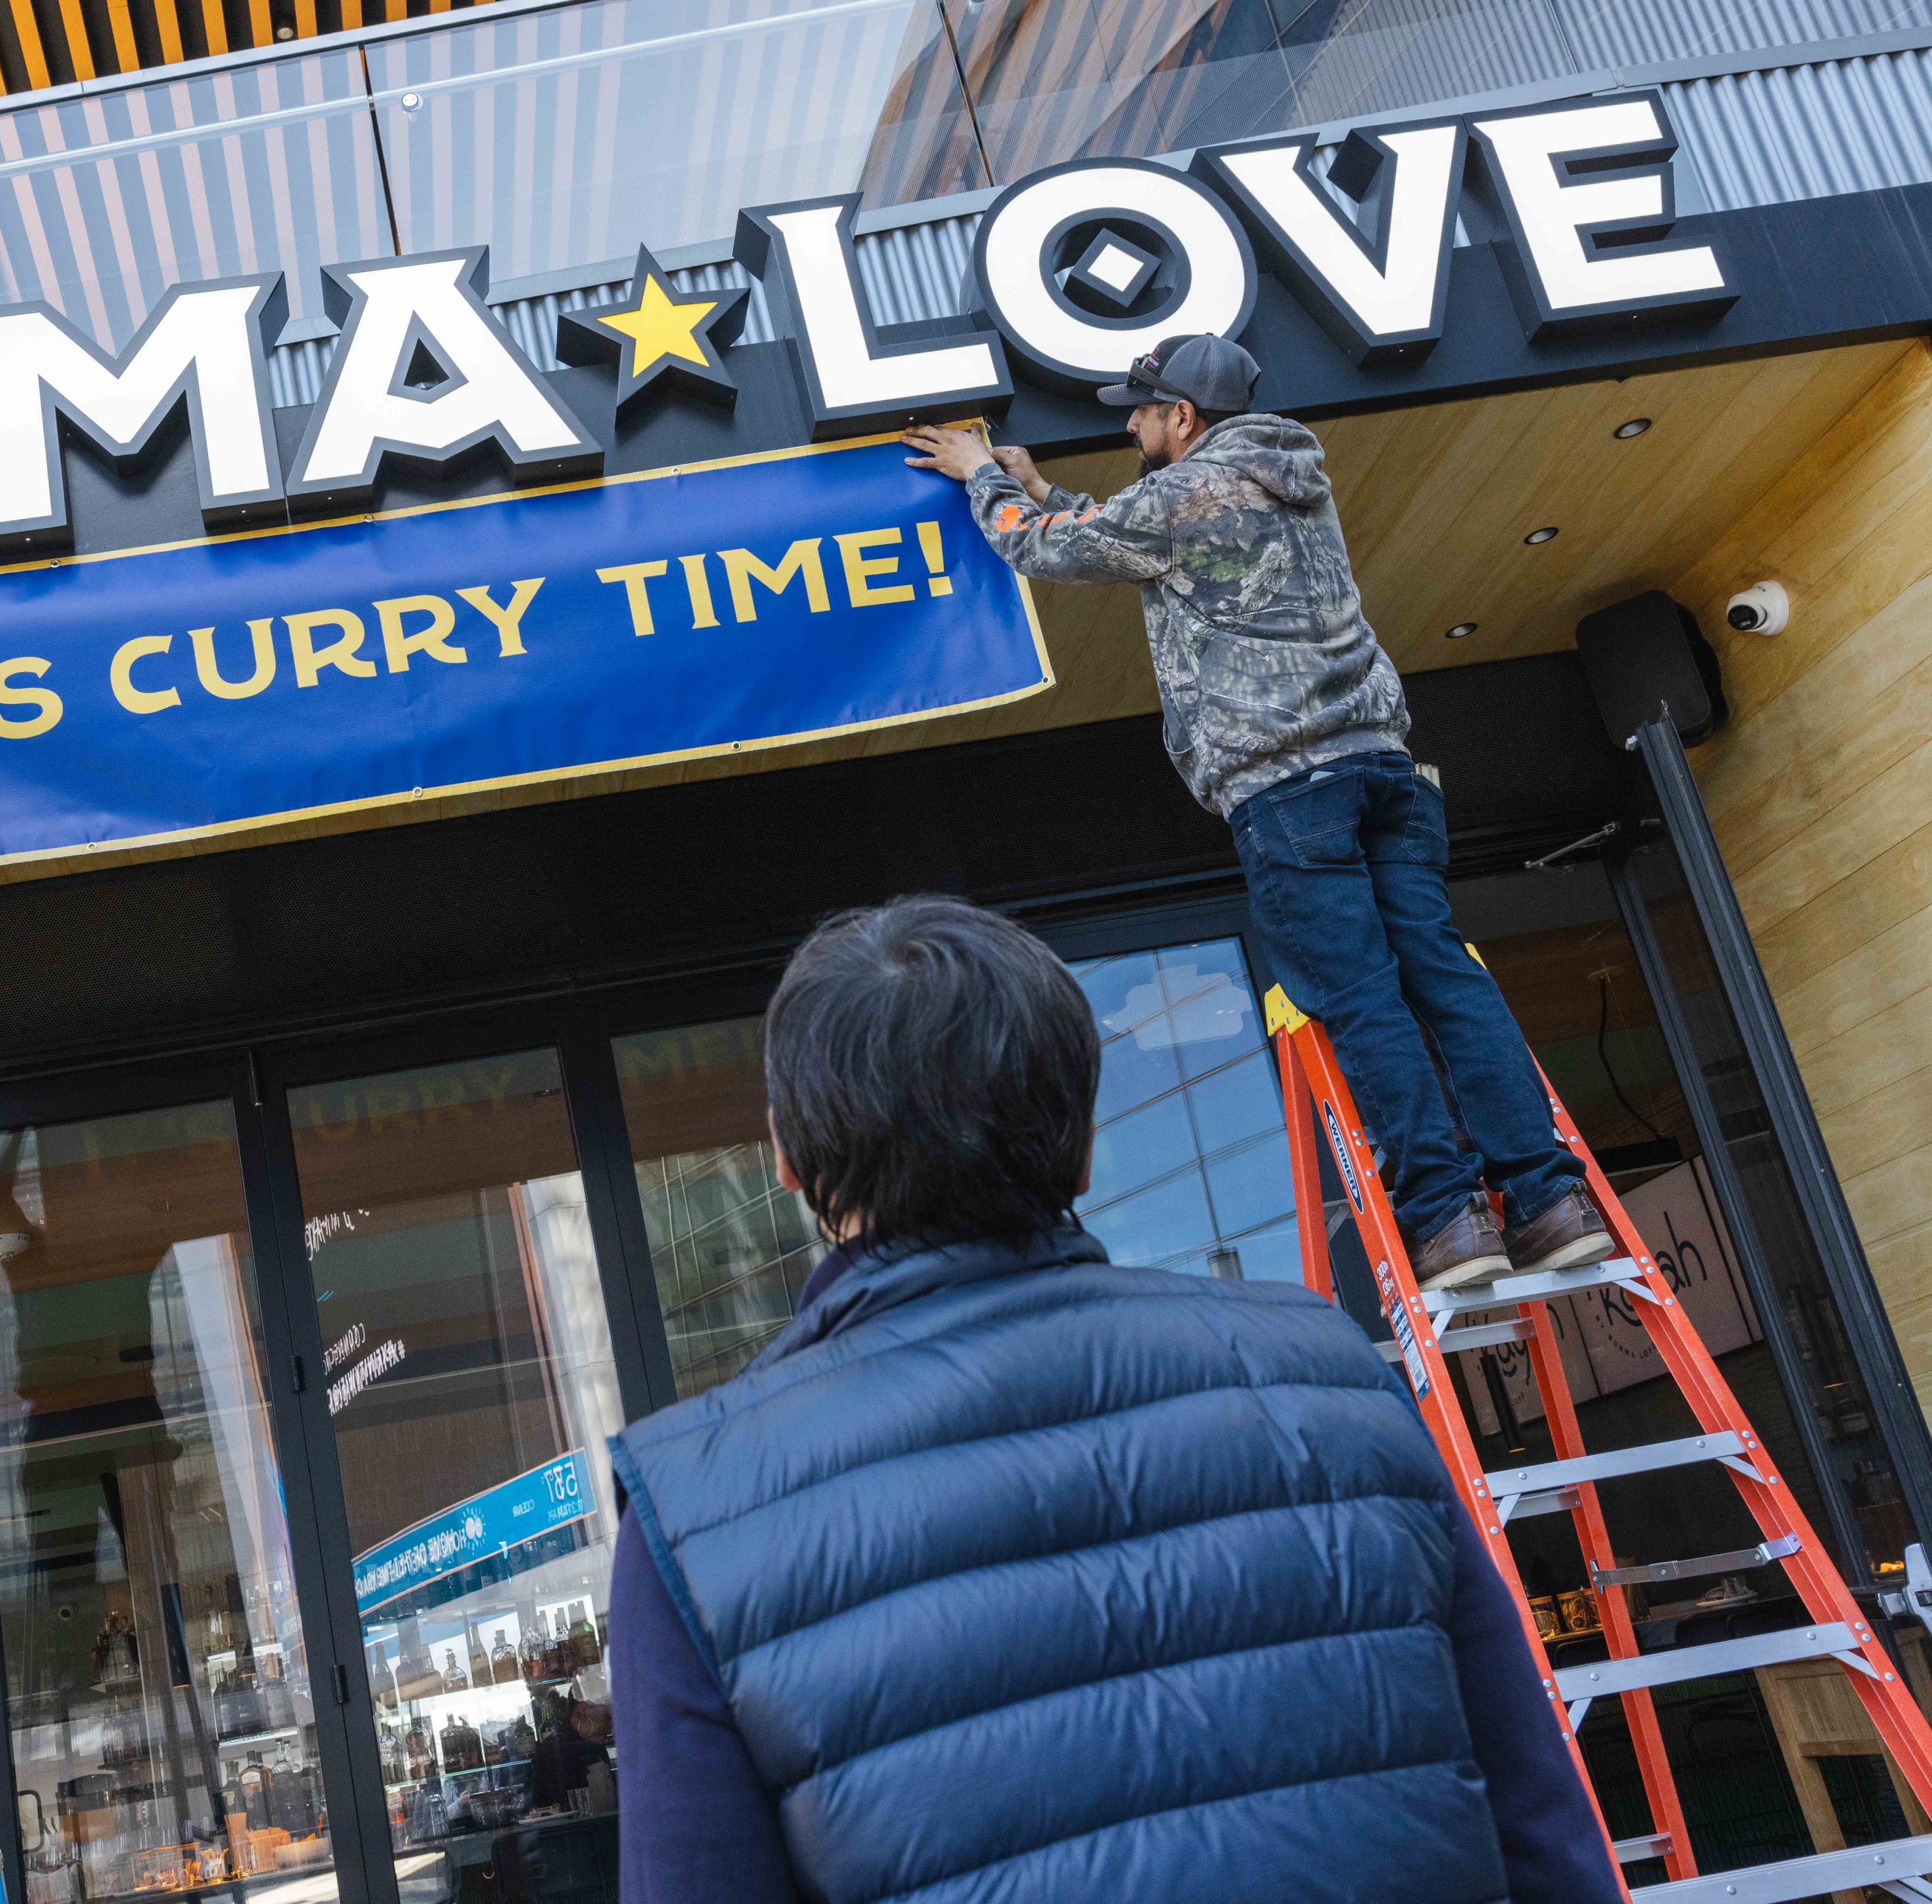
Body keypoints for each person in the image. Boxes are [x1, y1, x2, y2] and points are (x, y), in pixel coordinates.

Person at [604, 896, 1625, 1904]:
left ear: (785, 1155)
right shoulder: (1337, 1373)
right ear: (1085, 1141)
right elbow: (1544, 1833)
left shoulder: (692, 1518)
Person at [901, 335, 1612, 1294]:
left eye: (1142, 410)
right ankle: (1549, 1202)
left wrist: (987, 474)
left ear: (1183, 418)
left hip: (1288, 790)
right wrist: (1046, 484)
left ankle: (1449, 1219)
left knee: (1362, 996)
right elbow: (1147, 537)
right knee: (1442, 976)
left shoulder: (1183, 497)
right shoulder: (1284, 474)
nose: (1129, 422)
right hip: (1381, 769)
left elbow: (1044, 547)